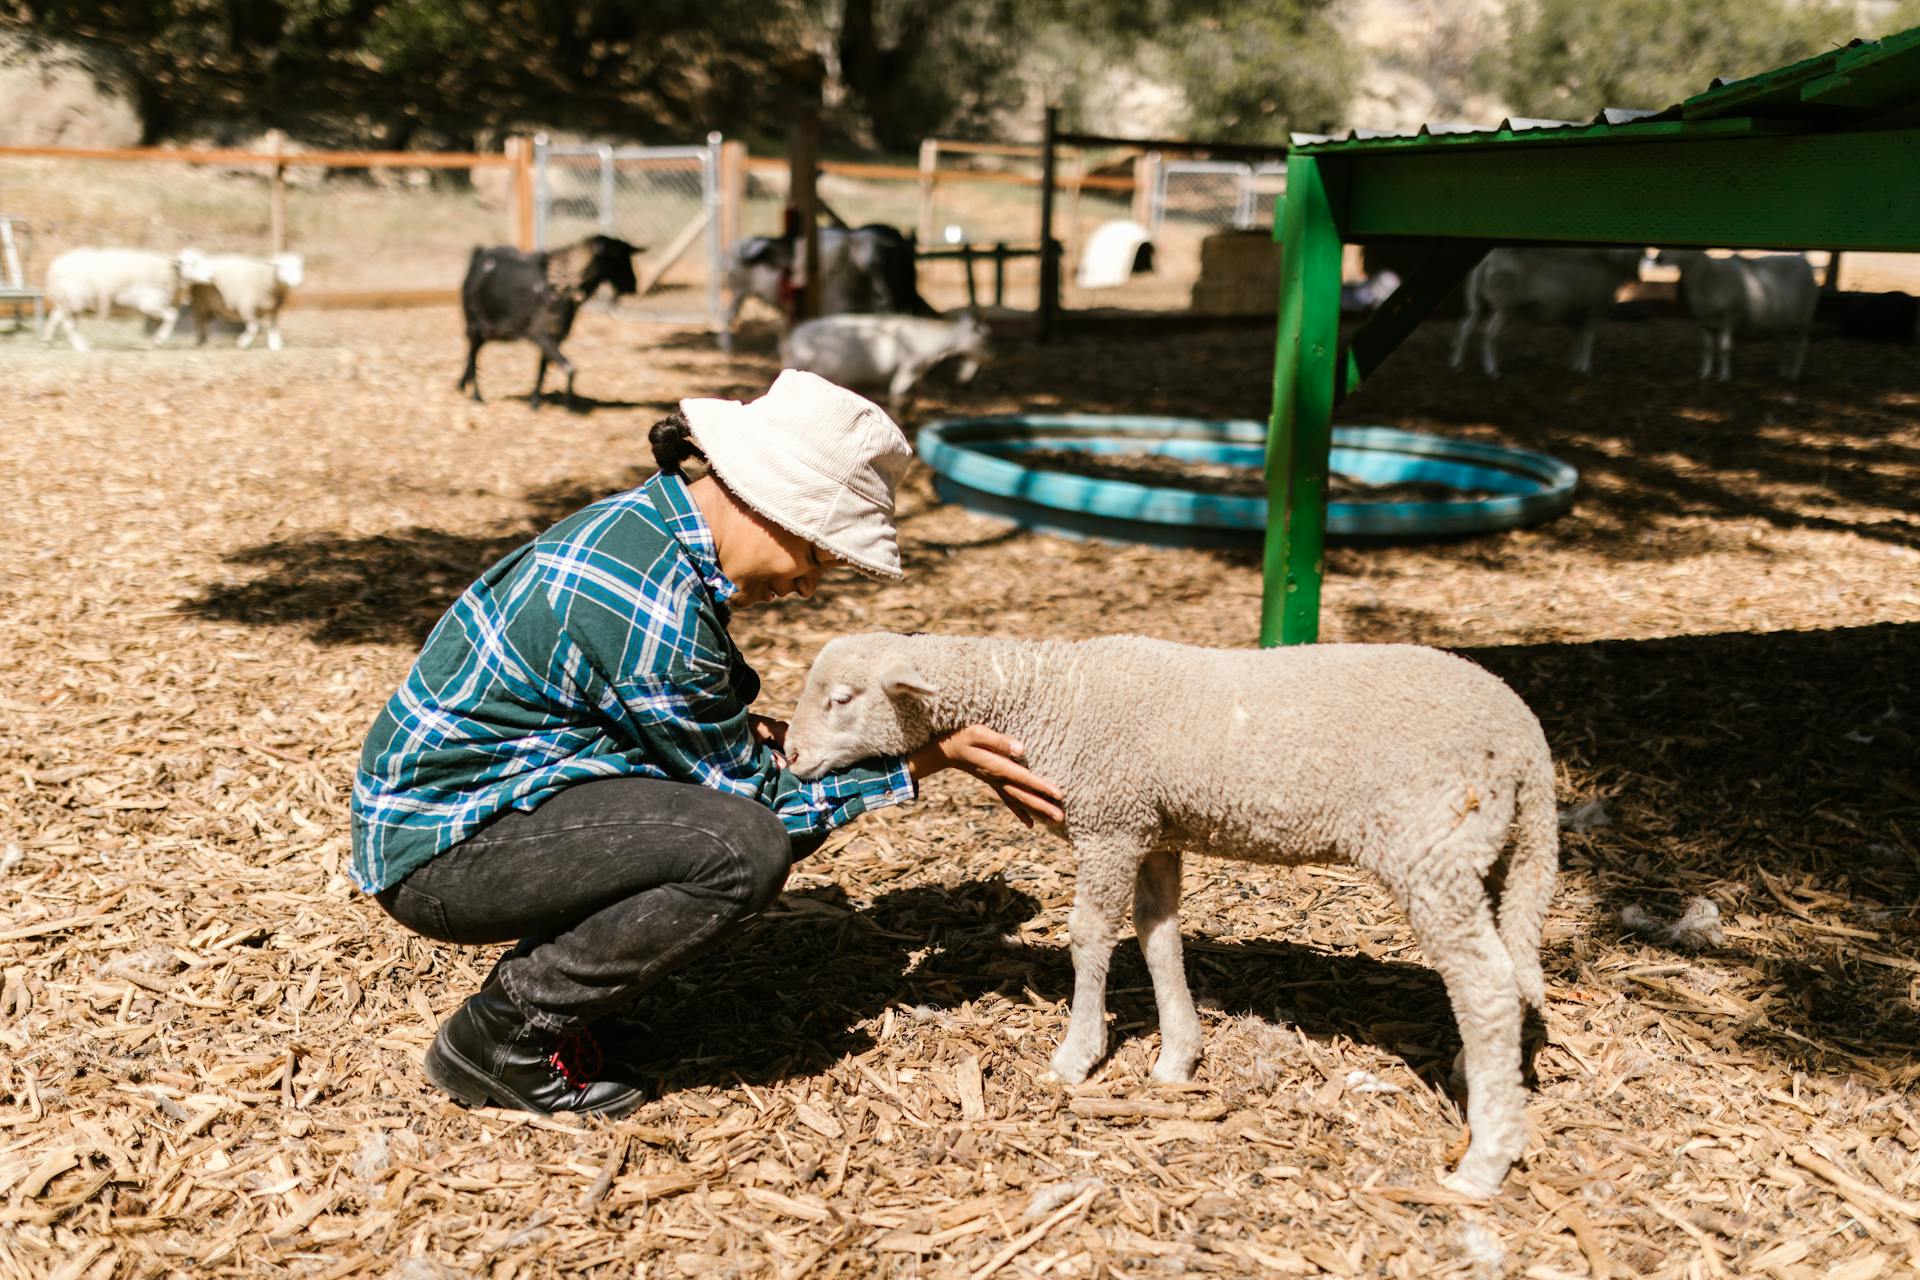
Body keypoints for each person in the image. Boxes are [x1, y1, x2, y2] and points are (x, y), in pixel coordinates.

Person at [350, 371, 1064, 1116]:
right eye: (818, 556)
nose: (809, 586)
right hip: (442, 852)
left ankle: (572, 1007)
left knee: (719, 823)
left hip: (458, 810)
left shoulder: (646, 530)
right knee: (739, 850)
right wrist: (924, 759)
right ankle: (501, 1037)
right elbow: (762, 809)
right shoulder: (656, 608)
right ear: (774, 508)